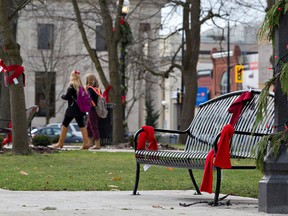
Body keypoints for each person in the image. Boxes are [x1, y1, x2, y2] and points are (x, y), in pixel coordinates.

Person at [53, 70, 89, 149]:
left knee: (65, 124)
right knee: (82, 125)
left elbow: (67, 97)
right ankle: (86, 143)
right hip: (80, 109)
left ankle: (60, 143)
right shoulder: (81, 87)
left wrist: (62, 96)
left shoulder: (72, 86)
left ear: (72, 77)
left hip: (72, 109)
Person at [85, 73, 101, 149]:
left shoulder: (90, 89)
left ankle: (97, 144)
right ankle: (90, 143)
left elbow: (89, 98)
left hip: (92, 110)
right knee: (88, 127)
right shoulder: (97, 88)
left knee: (93, 126)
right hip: (97, 109)